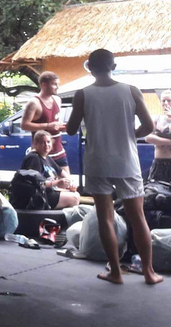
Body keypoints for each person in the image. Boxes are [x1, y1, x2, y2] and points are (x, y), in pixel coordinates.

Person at [66, 48, 162, 286]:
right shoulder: (131, 91)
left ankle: (116, 272)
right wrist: (130, 136)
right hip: (126, 161)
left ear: (89, 67)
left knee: (105, 218)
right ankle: (149, 273)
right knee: (138, 217)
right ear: (114, 66)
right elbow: (149, 126)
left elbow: (70, 129)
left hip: (97, 162)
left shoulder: (83, 94)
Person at [22, 71, 70, 178]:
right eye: (54, 84)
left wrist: (62, 127)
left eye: (58, 84)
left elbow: (55, 123)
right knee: (45, 188)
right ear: (44, 85)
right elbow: (24, 125)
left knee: (68, 184)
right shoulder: (34, 103)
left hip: (59, 151)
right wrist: (48, 125)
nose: (57, 87)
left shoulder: (57, 100)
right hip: (42, 153)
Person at [21, 131, 80, 209]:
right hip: (39, 196)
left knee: (74, 193)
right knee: (74, 198)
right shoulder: (33, 158)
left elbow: (61, 172)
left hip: (50, 191)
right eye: (42, 142)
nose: (46, 145)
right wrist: (56, 183)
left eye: (48, 142)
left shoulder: (47, 158)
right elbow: (35, 183)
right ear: (36, 144)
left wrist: (71, 183)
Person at [145, 90, 171, 182]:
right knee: (156, 193)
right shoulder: (156, 118)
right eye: (163, 101)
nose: (166, 103)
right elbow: (148, 138)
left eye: (169, 100)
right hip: (159, 162)